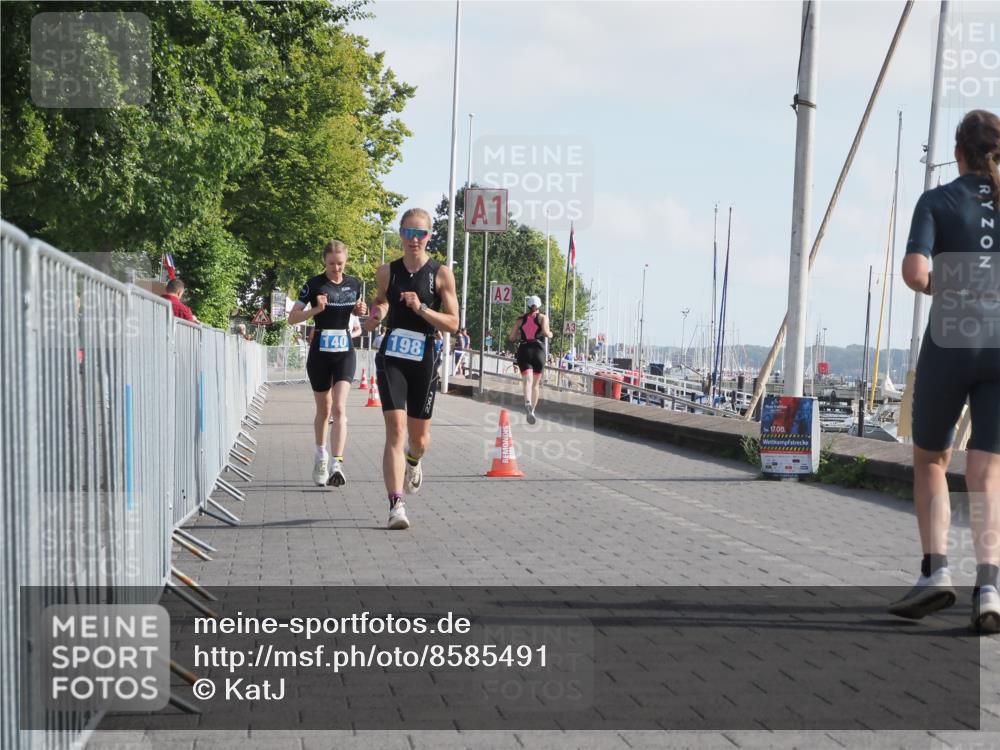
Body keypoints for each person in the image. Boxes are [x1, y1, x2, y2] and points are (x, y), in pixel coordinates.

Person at [889, 109, 1000, 632]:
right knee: (987, 473)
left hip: (951, 340)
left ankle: (936, 572)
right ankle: (991, 588)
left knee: (932, 459)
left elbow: (915, 273)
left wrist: (948, 286)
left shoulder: (937, 199)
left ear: (958, 153)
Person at [363, 208, 459, 530]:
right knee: (396, 431)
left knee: (419, 440)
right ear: (400, 234)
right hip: (392, 356)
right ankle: (396, 504)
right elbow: (381, 302)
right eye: (408, 233)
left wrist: (422, 308)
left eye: (420, 234)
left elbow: (454, 323)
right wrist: (375, 313)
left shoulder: (441, 274)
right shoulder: (386, 271)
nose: (414, 240)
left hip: (425, 358)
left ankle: (413, 462)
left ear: (429, 237)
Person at [288, 240, 368, 488]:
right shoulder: (313, 284)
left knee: (340, 409)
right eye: (331, 264)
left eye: (340, 264)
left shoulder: (355, 284)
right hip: (320, 353)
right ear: (324, 262)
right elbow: (292, 318)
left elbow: (358, 314)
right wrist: (315, 310)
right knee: (324, 410)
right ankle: (321, 455)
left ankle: (337, 464)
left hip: (344, 351)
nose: (336, 269)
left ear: (346, 261)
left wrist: (361, 309)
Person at [508, 296, 552, 424]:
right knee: (535, 384)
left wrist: (519, 334)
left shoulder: (520, 320)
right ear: (539, 305)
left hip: (524, 350)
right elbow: (545, 332)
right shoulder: (543, 317)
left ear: (528, 305)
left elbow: (511, 337)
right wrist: (551, 334)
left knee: (527, 381)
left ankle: (527, 402)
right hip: (538, 350)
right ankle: (532, 410)